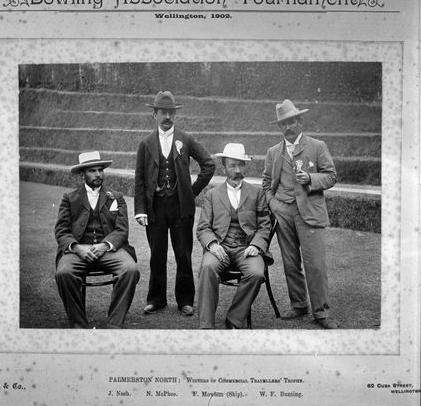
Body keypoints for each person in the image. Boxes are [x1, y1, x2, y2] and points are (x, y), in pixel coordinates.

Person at [134, 91, 215, 316]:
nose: (167, 116)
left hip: (181, 208)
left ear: (175, 115)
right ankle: (156, 299)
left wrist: (190, 192)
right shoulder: (145, 144)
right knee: (156, 255)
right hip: (155, 209)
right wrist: (140, 210)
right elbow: (139, 180)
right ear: (154, 114)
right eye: (163, 112)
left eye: (171, 112)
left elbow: (208, 165)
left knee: (183, 255)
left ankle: (185, 300)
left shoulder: (185, 139)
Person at [262, 99, 338, 329]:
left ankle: (322, 312)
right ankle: (299, 304)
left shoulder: (317, 146)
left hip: (310, 212)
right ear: (279, 127)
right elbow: (266, 183)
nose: (288, 127)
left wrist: (311, 179)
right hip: (283, 211)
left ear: (300, 121)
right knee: (290, 263)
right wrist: (273, 203)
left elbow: (331, 176)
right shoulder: (273, 152)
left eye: (292, 121)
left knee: (315, 263)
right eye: (283, 124)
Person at [55, 151, 139, 329]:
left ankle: (114, 326)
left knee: (130, 269)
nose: (98, 174)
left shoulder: (116, 197)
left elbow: (122, 230)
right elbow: (61, 231)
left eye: (100, 170)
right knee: (64, 273)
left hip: (109, 250)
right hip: (78, 251)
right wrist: (77, 248)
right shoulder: (69, 198)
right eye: (92, 171)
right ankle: (79, 327)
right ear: (82, 174)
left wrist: (104, 245)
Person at [196, 143, 273, 329]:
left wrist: (256, 245)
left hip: (246, 248)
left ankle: (234, 318)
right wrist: (213, 245)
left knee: (256, 273)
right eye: (232, 165)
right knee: (207, 268)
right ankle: (206, 326)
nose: (237, 170)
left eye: (240, 165)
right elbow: (203, 228)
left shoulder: (257, 193)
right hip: (219, 247)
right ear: (224, 167)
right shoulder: (212, 194)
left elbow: (265, 225)